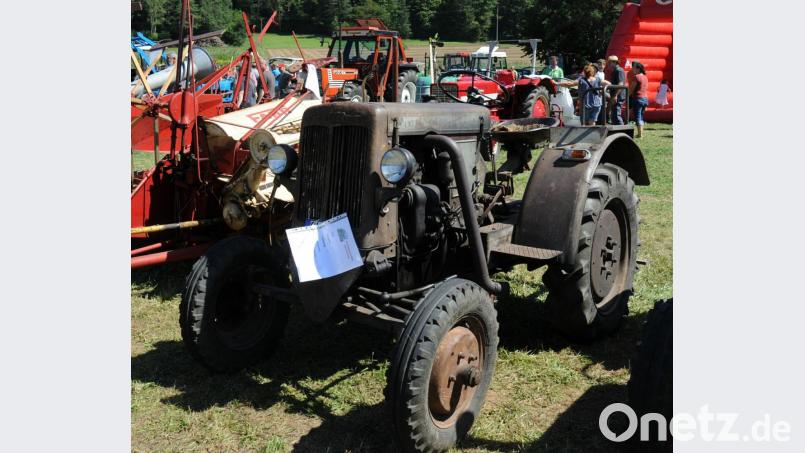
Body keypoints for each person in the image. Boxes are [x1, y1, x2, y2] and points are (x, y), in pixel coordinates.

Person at [629, 61, 649, 138]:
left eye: (633, 68)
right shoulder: (645, 77)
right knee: (641, 116)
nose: (632, 69)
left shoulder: (636, 77)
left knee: (638, 117)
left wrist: (627, 96)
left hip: (638, 98)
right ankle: (641, 133)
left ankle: (640, 135)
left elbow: (631, 89)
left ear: (638, 69)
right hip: (645, 99)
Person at [607, 55, 627, 125]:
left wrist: (615, 95)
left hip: (618, 96)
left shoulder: (619, 70)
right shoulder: (615, 71)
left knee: (616, 115)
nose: (608, 64)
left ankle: (623, 131)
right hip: (615, 96)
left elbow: (620, 84)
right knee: (614, 116)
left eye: (609, 62)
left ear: (615, 62)